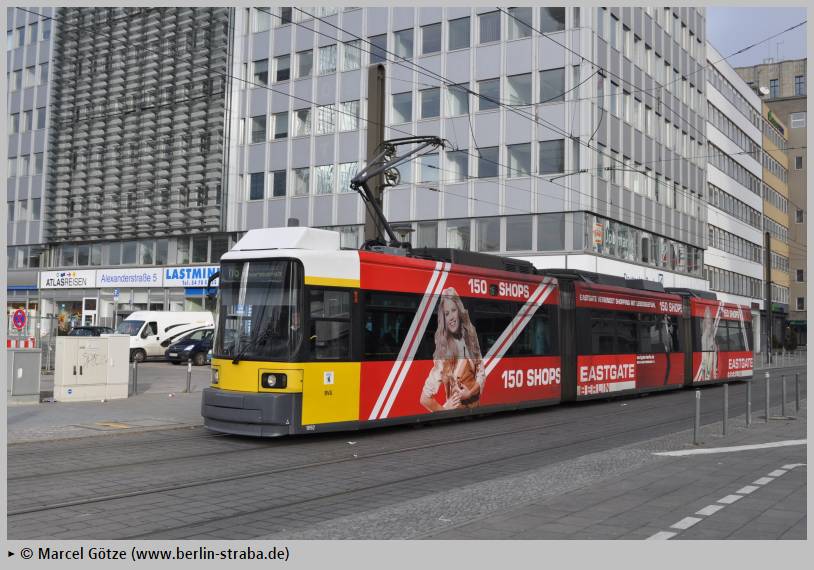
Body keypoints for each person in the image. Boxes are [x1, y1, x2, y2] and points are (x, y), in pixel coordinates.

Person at [420, 287, 485, 412]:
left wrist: (469, 393)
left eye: (453, 310)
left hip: (474, 413)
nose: (451, 317)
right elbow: (425, 399)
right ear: (443, 318)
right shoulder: (443, 350)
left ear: (459, 312)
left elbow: (481, 374)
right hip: (456, 415)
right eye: (446, 313)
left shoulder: (470, 335)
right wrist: (444, 410)